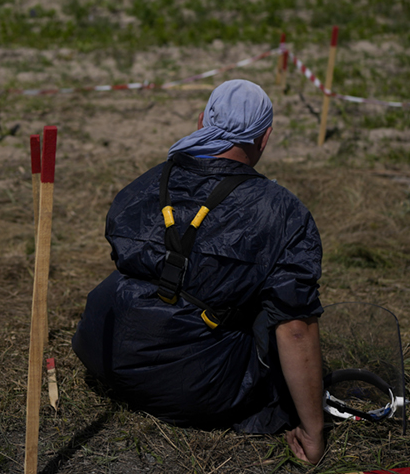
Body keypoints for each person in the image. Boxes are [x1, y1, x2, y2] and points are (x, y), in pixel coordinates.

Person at [71, 79, 326, 463]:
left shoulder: (147, 183)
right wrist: (313, 429)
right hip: (194, 388)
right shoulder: (284, 214)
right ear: (266, 137)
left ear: (201, 122)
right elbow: (294, 328)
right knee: (274, 313)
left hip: (103, 356)